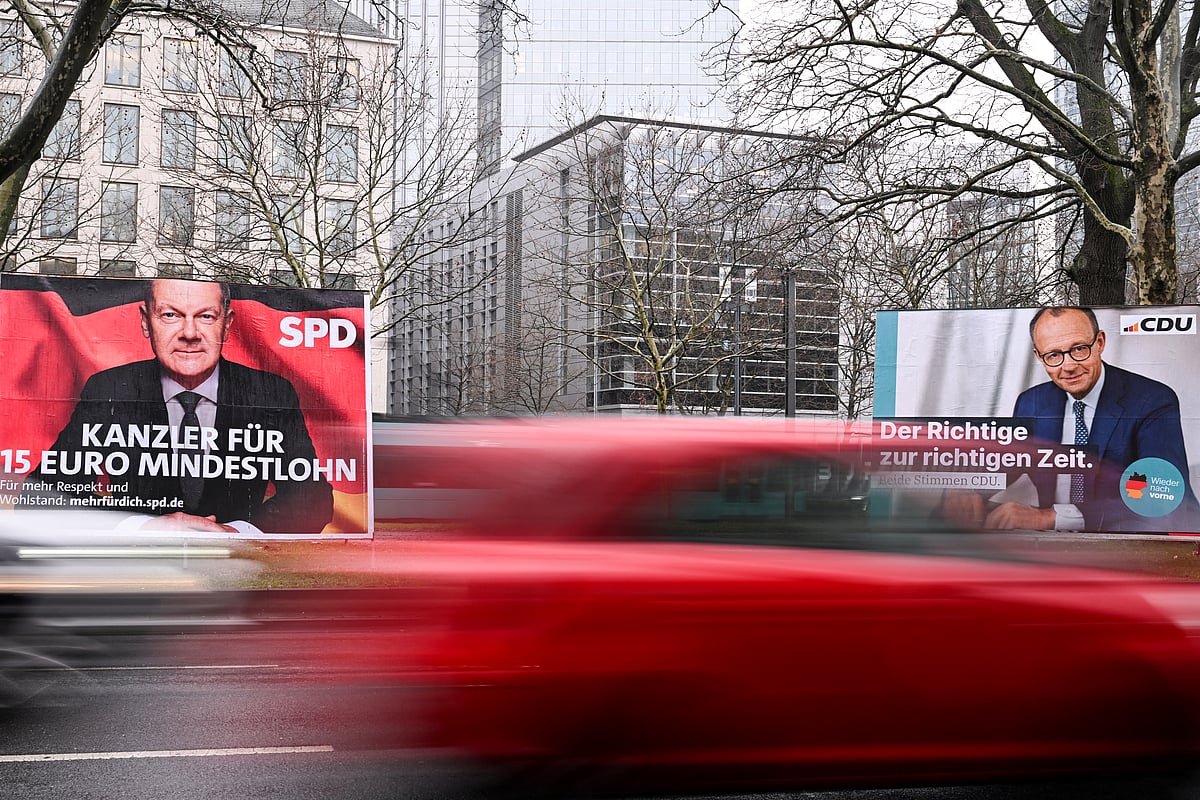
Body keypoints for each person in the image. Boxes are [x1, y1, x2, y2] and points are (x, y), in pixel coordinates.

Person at [19, 279, 333, 534]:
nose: (189, 333)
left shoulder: (269, 393)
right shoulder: (111, 389)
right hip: (141, 571)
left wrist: (235, 533)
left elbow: (312, 501)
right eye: (170, 315)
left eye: (206, 316)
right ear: (146, 322)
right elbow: (40, 497)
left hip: (238, 571)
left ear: (227, 324)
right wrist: (140, 528)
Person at [949, 305, 1196, 532]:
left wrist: (1051, 517)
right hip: (1055, 547)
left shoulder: (1152, 400)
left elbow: (1163, 495)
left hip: (1137, 544)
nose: (1068, 366)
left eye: (1079, 349)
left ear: (1100, 342)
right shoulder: (1032, 402)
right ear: (1039, 357)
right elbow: (1008, 461)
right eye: (1053, 355)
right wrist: (970, 490)